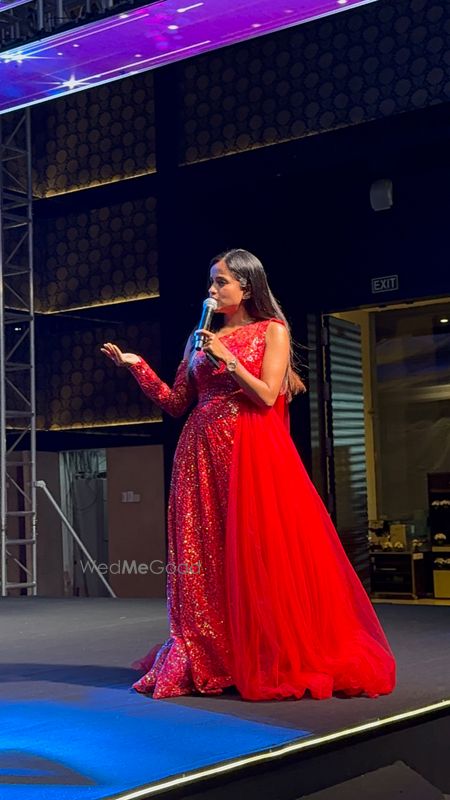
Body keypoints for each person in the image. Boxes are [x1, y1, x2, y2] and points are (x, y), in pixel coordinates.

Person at [101, 248, 396, 701]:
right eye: (211, 282)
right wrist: (136, 366)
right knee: (203, 555)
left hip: (248, 455)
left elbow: (267, 395)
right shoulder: (199, 338)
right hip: (197, 455)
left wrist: (228, 359)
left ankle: (261, 653)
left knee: (255, 552)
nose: (212, 290)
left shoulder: (271, 330)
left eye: (221, 282)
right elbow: (176, 402)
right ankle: (210, 652)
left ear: (247, 286)